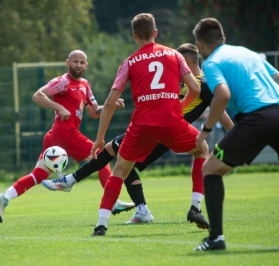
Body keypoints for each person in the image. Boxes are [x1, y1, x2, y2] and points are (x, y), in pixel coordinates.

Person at [42, 43, 234, 228]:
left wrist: (235, 137)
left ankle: (72, 182)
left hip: (164, 131)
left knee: (115, 154)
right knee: (119, 157)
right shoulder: (180, 81)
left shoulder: (202, 85)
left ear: (187, 61)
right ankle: (142, 209)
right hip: (154, 128)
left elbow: (221, 112)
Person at [87, 13, 211, 237]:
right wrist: (177, 108)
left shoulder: (128, 62)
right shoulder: (175, 55)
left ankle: (101, 224)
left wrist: (99, 139)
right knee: (202, 149)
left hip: (142, 125)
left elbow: (110, 103)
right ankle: (195, 208)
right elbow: (195, 89)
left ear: (134, 36)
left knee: (120, 170)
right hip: (172, 121)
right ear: (155, 33)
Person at [0, 50, 131, 223]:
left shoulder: (85, 84)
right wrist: (59, 107)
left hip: (57, 137)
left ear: (86, 65)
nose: (78, 65)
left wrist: (111, 106)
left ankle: (4, 198)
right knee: (100, 158)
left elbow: (95, 112)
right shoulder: (62, 82)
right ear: (67, 63)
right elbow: (37, 96)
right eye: (75, 62)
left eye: (82, 62)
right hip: (65, 132)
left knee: (38, 175)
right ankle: (113, 201)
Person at [193, 18, 279, 251]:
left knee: (210, 169)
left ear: (200, 45)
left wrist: (206, 131)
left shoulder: (212, 63)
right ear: (223, 38)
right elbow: (277, 77)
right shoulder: (247, 52)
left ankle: (216, 239)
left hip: (256, 118)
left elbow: (222, 95)